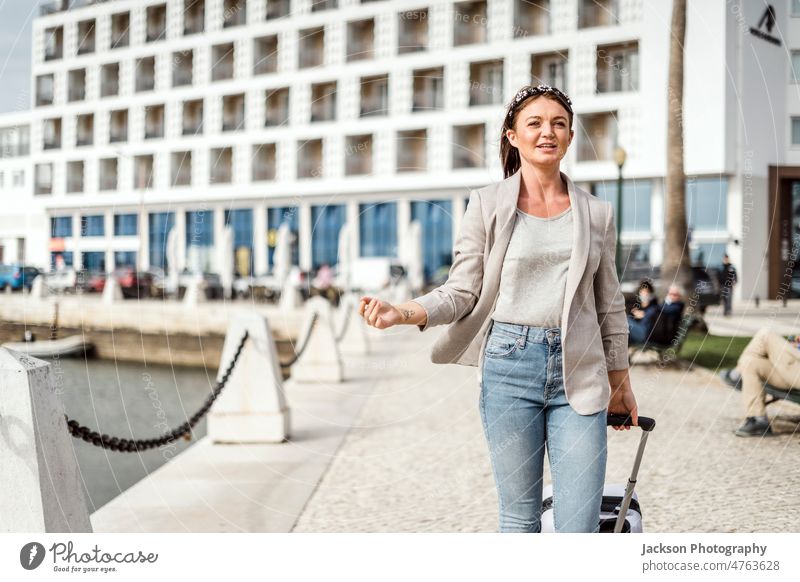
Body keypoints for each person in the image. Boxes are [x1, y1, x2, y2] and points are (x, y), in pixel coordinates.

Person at [358, 84, 638, 533]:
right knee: (519, 518)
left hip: (580, 371)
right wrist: (403, 311)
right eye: (535, 123)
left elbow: (609, 306)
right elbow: (462, 290)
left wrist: (620, 380)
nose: (548, 132)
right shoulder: (487, 203)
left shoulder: (597, 212)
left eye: (559, 124)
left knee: (579, 524)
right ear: (512, 136)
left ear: (568, 137)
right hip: (510, 365)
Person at [721, 328, 800, 437]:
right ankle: (759, 420)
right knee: (750, 364)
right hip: (793, 372)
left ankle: (737, 373)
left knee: (766, 334)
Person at [627, 280, 659, 345]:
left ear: (651, 293)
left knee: (626, 319)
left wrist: (644, 315)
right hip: (635, 333)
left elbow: (652, 318)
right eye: (642, 291)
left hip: (646, 335)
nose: (644, 294)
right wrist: (635, 316)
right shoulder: (636, 306)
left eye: (646, 291)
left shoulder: (654, 307)